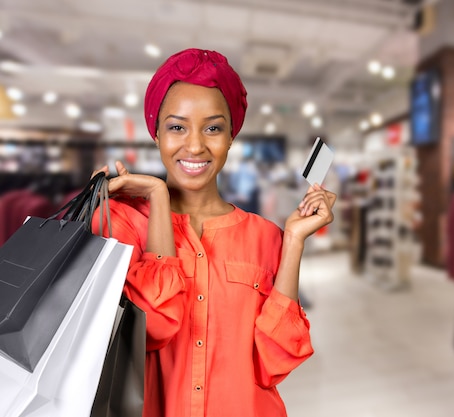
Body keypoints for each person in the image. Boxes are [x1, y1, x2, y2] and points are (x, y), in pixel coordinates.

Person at [92, 48, 336, 417]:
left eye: (213, 127)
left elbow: (275, 363)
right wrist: (158, 197)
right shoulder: (121, 224)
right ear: (155, 134)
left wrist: (294, 242)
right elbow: (155, 326)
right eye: (177, 126)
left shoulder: (266, 237)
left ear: (231, 137)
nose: (195, 145)